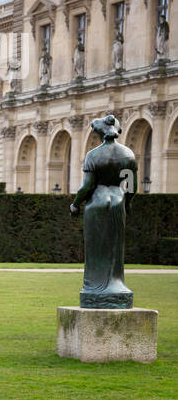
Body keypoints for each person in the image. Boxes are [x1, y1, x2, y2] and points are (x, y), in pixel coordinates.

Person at [70, 115, 138, 307]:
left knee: (96, 250)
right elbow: (131, 187)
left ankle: (94, 290)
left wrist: (75, 204)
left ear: (99, 132)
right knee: (115, 249)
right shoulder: (128, 155)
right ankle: (116, 286)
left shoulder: (93, 155)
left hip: (97, 203)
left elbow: (87, 187)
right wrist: (127, 203)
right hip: (118, 200)